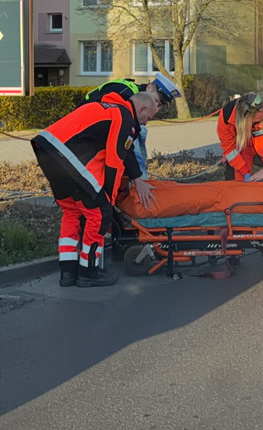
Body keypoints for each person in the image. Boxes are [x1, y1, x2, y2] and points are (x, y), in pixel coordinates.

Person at [32, 79, 177, 287]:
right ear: (142, 107)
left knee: (72, 212)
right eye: (148, 117)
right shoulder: (124, 117)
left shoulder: (108, 107)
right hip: (70, 158)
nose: (146, 123)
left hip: (47, 149)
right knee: (99, 214)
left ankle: (68, 272)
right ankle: (88, 272)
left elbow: (122, 152)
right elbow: (115, 162)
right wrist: (108, 198)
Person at [82, 75, 181, 179]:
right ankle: (139, 183)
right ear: (149, 88)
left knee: (140, 131)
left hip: (92, 132)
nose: (155, 109)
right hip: (82, 135)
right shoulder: (124, 93)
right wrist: (137, 177)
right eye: (156, 101)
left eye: (159, 106)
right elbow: (124, 140)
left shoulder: (135, 96)